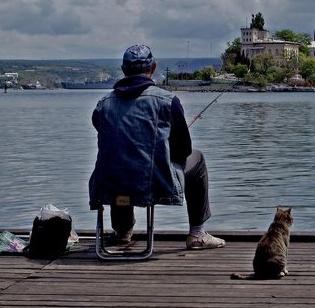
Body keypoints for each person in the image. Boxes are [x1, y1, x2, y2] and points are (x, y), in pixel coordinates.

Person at [88, 44, 226, 250]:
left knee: (119, 160)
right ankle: (197, 233)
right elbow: (183, 150)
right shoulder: (167, 101)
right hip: (155, 185)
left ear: (124, 69)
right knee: (197, 159)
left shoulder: (103, 103)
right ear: (153, 68)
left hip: (108, 186)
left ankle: (122, 231)